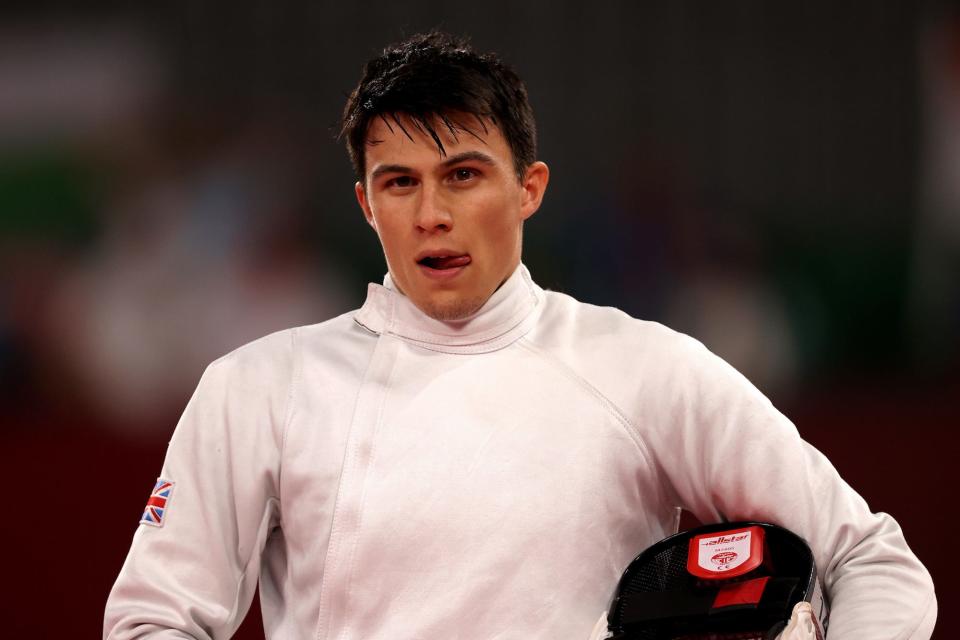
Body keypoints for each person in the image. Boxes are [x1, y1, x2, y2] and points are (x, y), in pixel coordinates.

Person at [104, 32, 937, 639]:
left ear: (529, 187)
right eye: (399, 183)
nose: (432, 214)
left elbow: (872, 561)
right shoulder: (260, 386)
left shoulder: (644, 370)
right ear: (365, 204)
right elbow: (152, 620)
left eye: (463, 175)